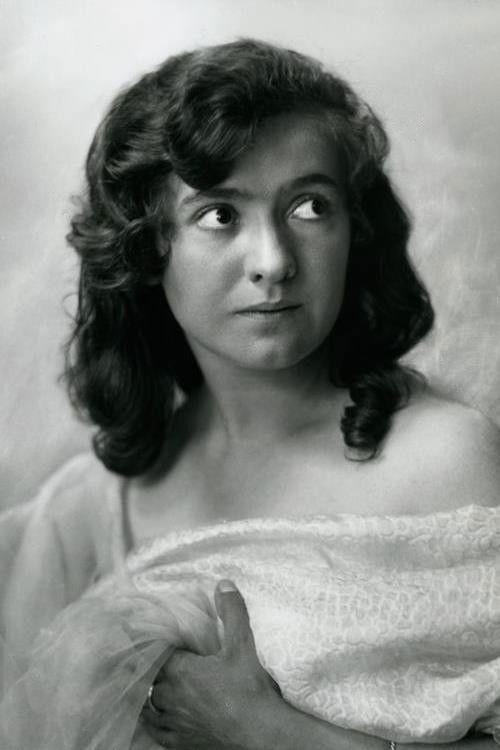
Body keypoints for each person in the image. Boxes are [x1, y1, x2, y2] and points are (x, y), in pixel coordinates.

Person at [1, 38, 499, 750]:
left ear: (354, 229)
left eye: (310, 206)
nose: (273, 262)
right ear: (149, 247)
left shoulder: (448, 460)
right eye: (220, 216)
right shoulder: (93, 509)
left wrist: (270, 732)